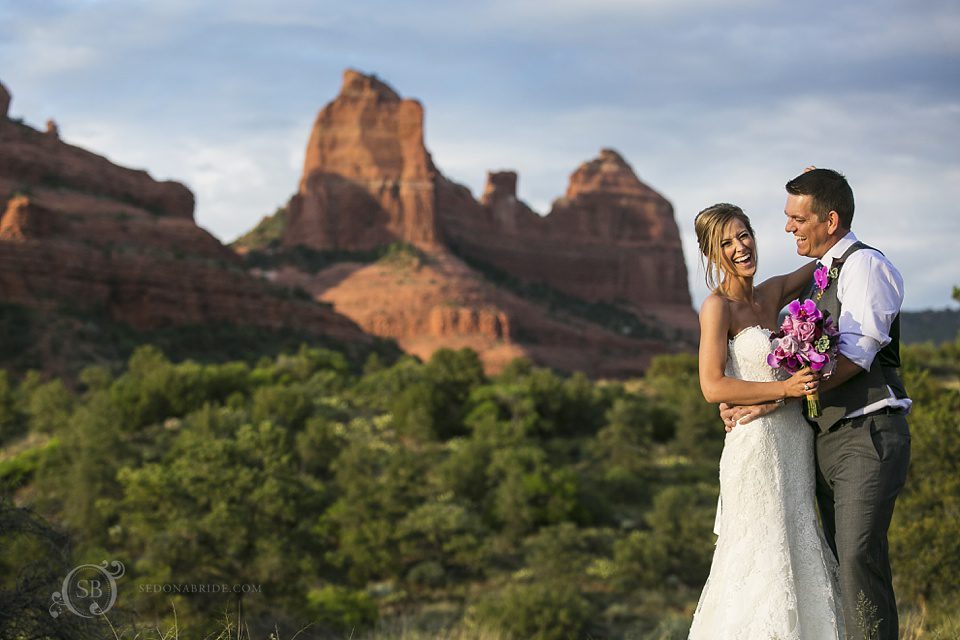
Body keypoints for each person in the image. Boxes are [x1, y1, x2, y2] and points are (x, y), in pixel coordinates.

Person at [722, 169, 911, 640]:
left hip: (867, 431)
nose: (788, 227)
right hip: (825, 438)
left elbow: (855, 356)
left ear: (829, 220)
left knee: (857, 559)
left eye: (796, 218)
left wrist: (774, 400)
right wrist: (761, 391)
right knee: (839, 566)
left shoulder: (866, 267)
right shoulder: (826, 270)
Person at [687, 202, 844, 639]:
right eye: (726, 242)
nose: (740, 247)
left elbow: (826, 257)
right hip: (754, 451)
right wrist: (784, 390)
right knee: (760, 555)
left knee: (799, 547)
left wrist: (819, 199)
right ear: (710, 254)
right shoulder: (717, 308)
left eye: (744, 234)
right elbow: (713, 387)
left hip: (794, 442)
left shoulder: (773, 293)